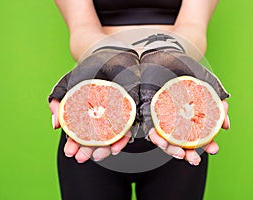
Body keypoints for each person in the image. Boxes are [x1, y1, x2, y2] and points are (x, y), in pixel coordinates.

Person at [48, 0, 230, 199]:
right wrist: (108, 57)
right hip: (99, 116)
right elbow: (81, 28)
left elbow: (194, 26)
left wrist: (168, 57)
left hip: (178, 118)